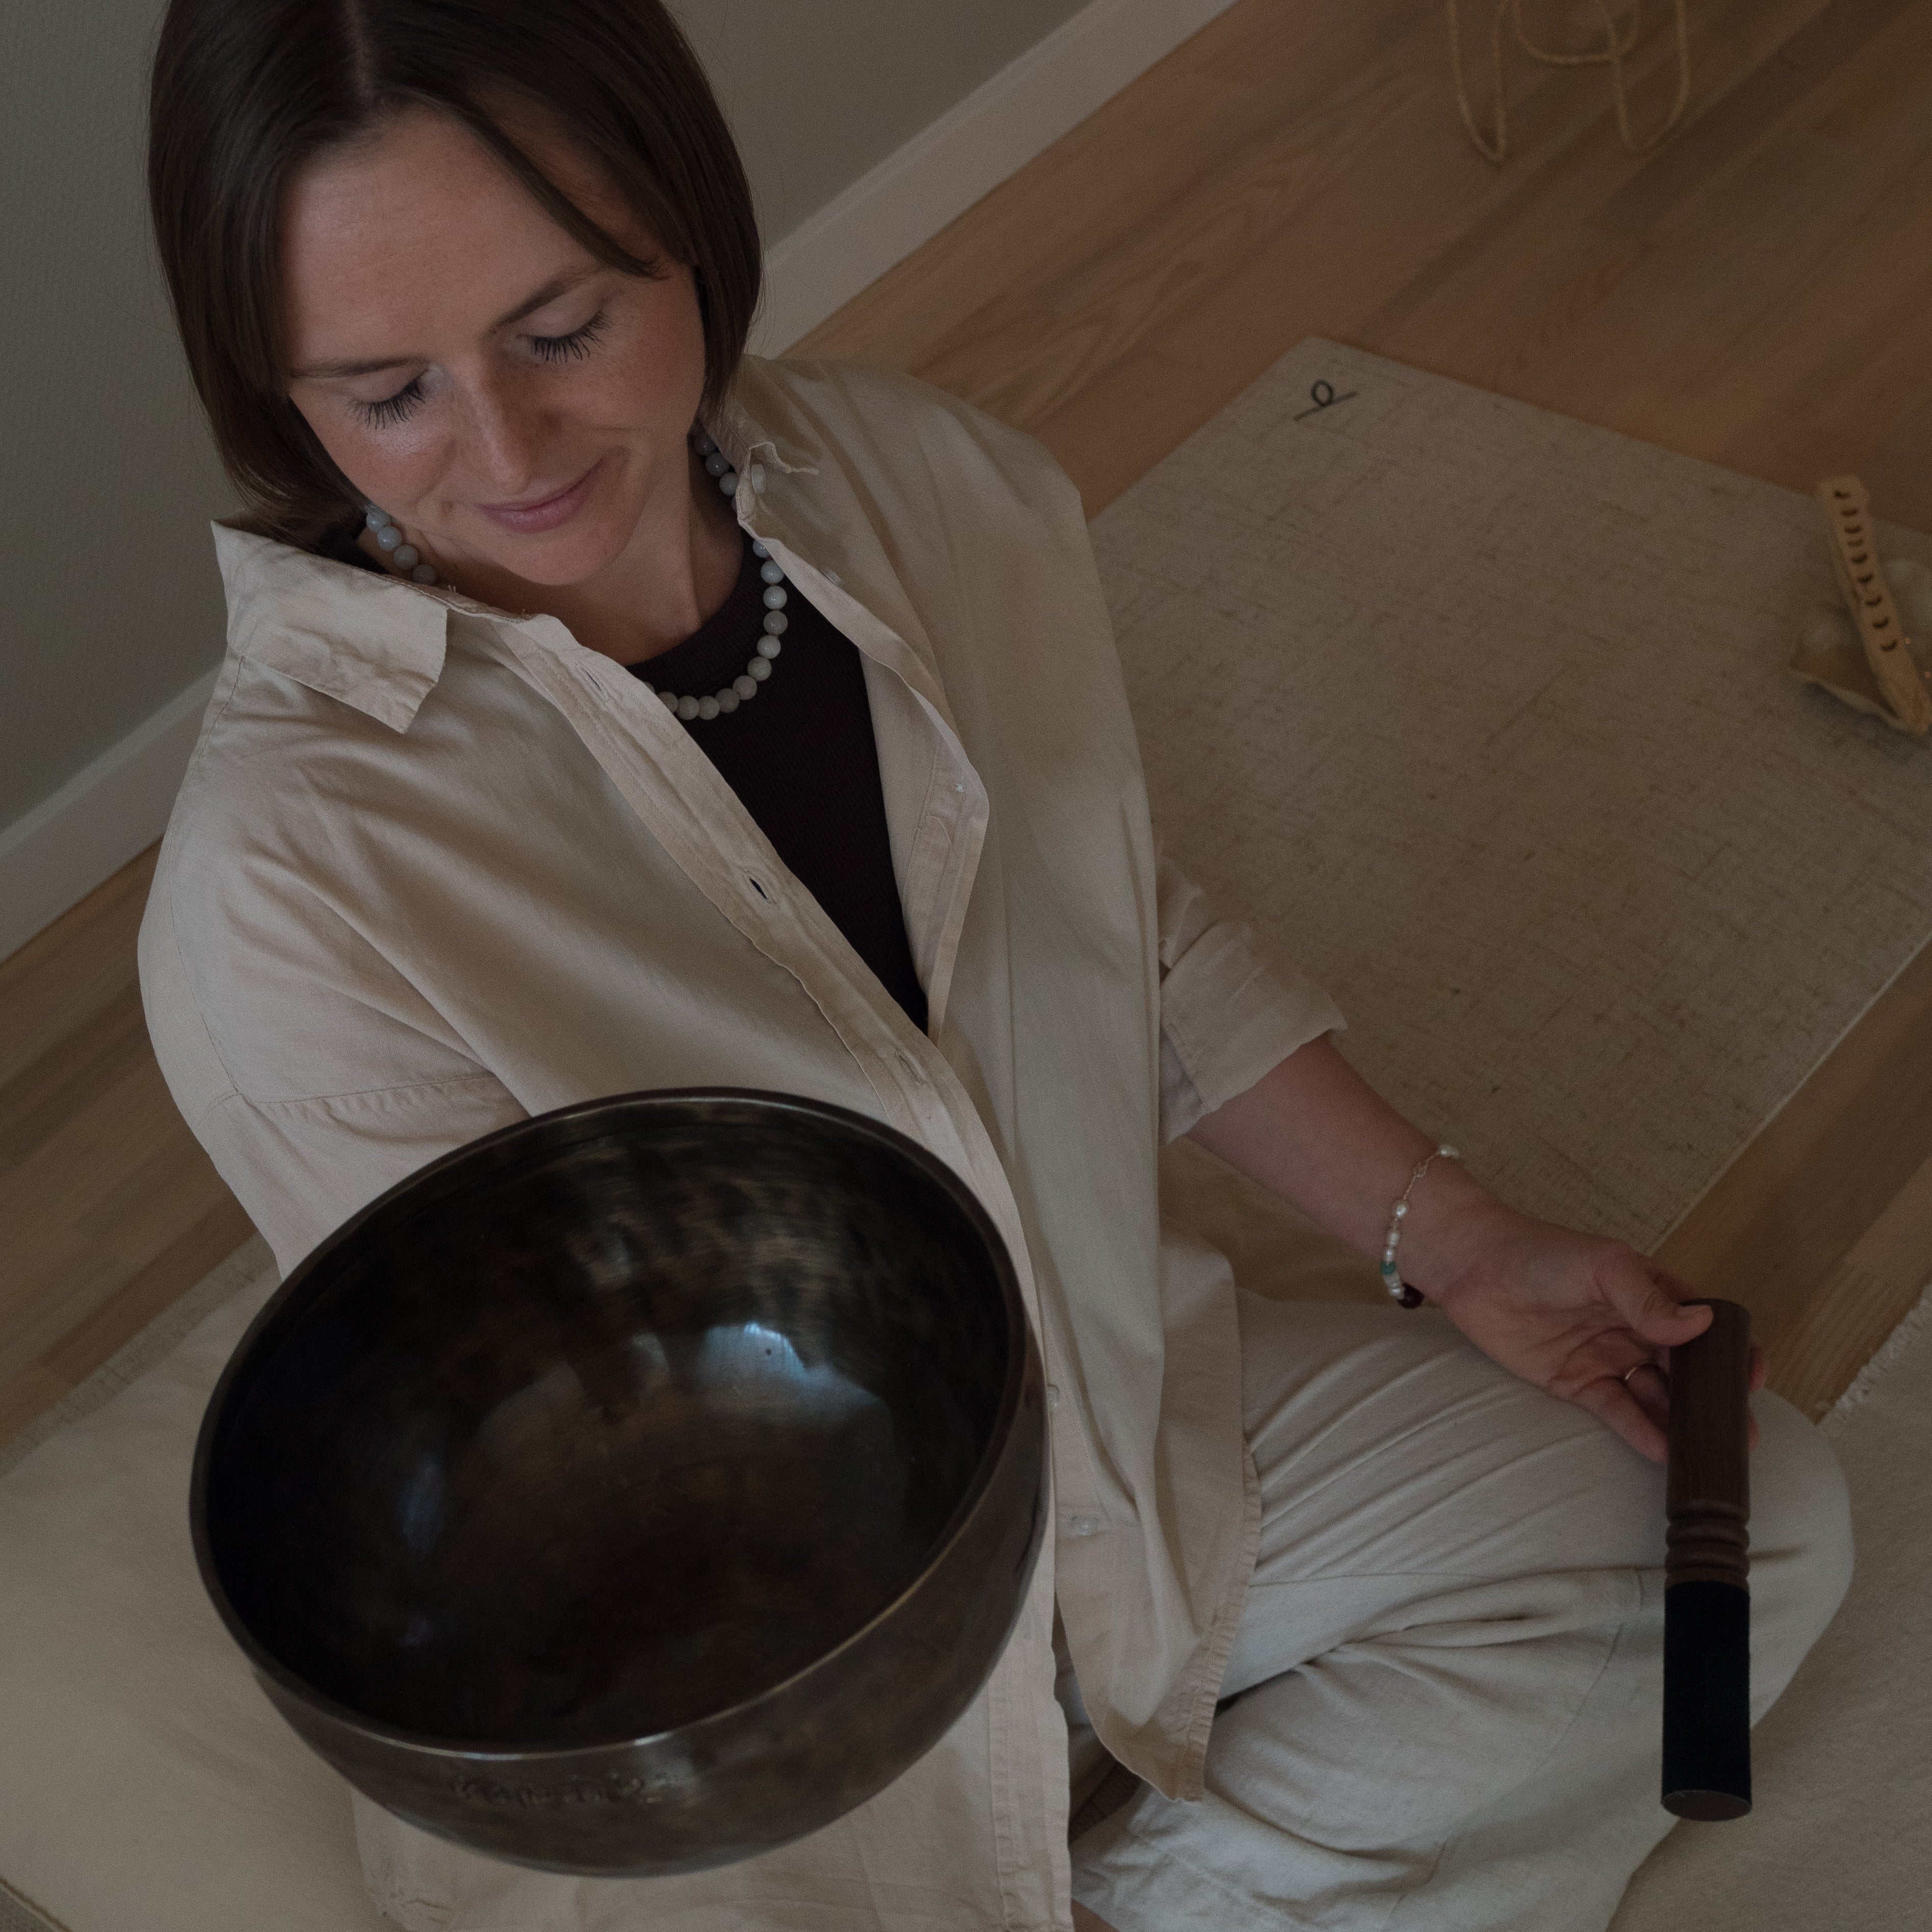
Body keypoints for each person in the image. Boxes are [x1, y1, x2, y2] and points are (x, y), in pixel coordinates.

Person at [140, 4, 1851, 1929]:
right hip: (732, 1684)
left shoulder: (931, 490)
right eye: (387, 395)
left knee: (1747, 1523)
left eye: (561, 331)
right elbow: (549, 1547)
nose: (509, 448)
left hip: (1112, 1423)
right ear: (279, 398)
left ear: (688, 226)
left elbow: (1128, 929)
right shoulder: (286, 892)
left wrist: (1456, 1239)